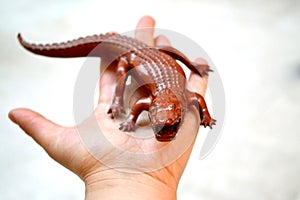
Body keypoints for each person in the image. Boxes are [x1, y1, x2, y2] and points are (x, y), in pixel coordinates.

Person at [9, 15, 209, 199]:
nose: (162, 130)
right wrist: (122, 107)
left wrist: (204, 111)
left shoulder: (184, 98)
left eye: (168, 125)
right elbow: (189, 100)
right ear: (153, 107)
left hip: (156, 60)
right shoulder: (153, 101)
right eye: (158, 123)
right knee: (128, 66)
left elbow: (197, 99)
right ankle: (118, 93)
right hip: (132, 57)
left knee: (169, 53)